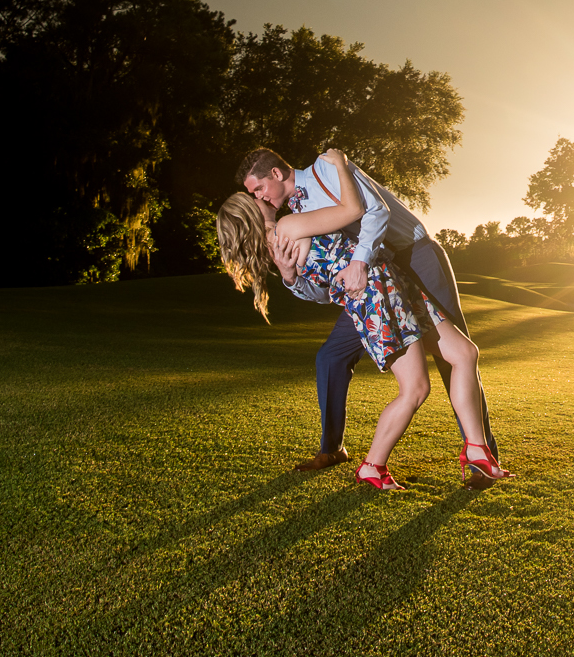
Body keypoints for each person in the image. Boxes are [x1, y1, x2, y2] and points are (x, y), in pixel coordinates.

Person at [216, 150, 509, 490]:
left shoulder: (305, 199)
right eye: (253, 196)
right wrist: (292, 275)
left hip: (398, 266)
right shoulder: (289, 223)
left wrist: (297, 273)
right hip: (376, 290)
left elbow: (373, 215)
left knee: (462, 355)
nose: (259, 196)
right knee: (411, 385)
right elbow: (350, 221)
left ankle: (480, 454)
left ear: (277, 175)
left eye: (258, 189)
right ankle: (365, 462)